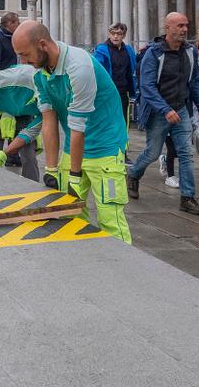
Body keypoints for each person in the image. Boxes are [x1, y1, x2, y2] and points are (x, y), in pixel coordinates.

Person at [12, 20, 130, 242]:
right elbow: (49, 121)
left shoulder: (79, 67)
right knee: (71, 215)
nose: (23, 61)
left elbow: (78, 127)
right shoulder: (39, 75)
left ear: (43, 44)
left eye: (25, 54)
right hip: (73, 149)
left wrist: (74, 176)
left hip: (105, 149)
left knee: (110, 219)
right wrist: (51, 169)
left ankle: (127, 271)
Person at [127, 11, 199, 216]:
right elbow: (147, 86)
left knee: (186, 153)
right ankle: (134, 174)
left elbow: (195, 82)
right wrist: (165, 110)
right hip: (158, 112)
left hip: (181, 108)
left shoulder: (189, 52)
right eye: (179, 25)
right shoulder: (154, 53)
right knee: (153, 152)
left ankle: (187, 198)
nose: (184, 29)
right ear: (168, 28)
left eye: (186, 25)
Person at [93, 22, 137, 124]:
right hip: (106, 93)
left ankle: (123, 140)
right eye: (113, 33)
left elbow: (133, 69)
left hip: (123, 92)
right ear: (109, 34)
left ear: (124, 35)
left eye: (119, 34)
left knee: (122, 122)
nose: (115, 36)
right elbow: (96, 70)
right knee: (107, 122)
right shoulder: (101, 50)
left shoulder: (128, 50)